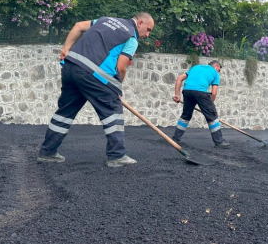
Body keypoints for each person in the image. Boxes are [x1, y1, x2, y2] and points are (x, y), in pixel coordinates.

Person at [37, 13, 154, 167]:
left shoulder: (105, 20)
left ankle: (48, 152)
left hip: (71, 67)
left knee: (65, 112)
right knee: (113, 110)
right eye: (148, 29)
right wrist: (116, 89)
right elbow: (121, 66)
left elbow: (79, 26)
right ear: (139, 23)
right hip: (92, 73)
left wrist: (66, 48)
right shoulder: (131, 37)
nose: (147, 34)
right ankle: (117, 156)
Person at [171, 60, 230, 148]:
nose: (219, 72)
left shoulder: (195, 67)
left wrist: (177, 95)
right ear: (216, 66)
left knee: (186, 115)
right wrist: (208, 108)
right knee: (212, 116)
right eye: (219, 70)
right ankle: (219, 142)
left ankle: (175, 138)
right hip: (201, 92)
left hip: (187, 91)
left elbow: (179, 78)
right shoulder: (215, 73)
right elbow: (213, 93)